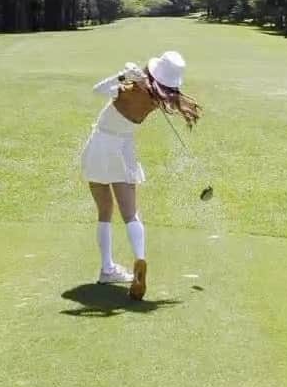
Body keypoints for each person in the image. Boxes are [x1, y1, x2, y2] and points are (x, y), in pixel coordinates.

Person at [81, 50, 201, 300]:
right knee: (130, 212)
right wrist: (133, 78)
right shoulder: (160, 98)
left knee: (105, 210)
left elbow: (96, 89)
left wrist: (122, 75)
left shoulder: (130, 87)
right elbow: (159, 92)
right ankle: (140, 257)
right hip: (123, 150)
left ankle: (107, 268)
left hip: (100, 145)